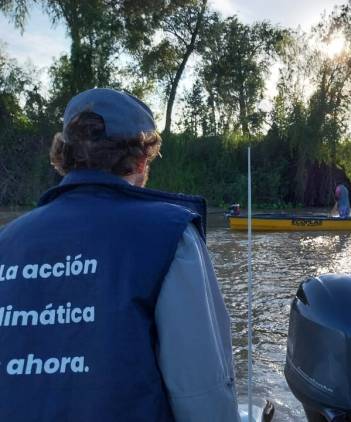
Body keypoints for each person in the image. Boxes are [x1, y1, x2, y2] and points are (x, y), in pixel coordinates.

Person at [0, 88, 241, 422]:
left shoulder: (6, 241)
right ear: (142, 159)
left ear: (64, 156)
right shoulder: (170, 234)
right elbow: (201, 395)